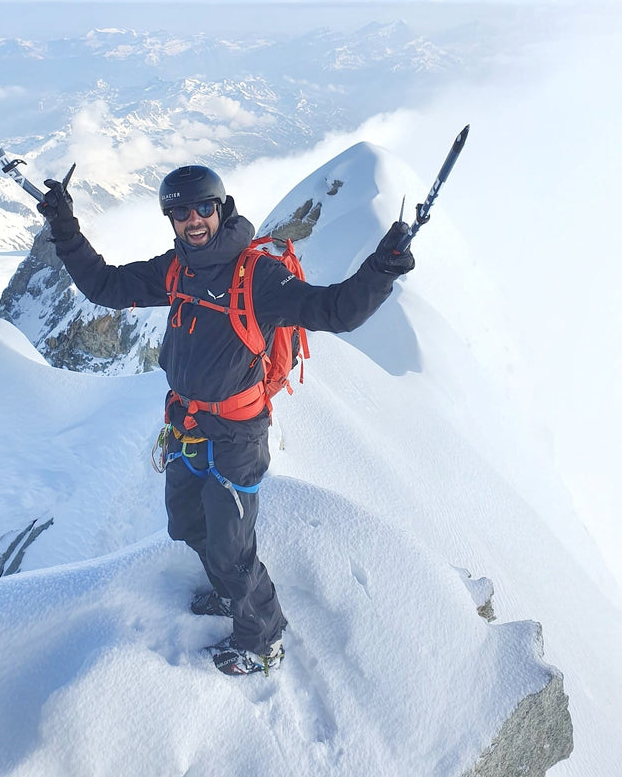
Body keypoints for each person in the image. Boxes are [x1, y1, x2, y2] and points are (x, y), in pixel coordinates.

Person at [38, 164, 414, 676]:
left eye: (202, 208)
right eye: (180, 212)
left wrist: (382, 269)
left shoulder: (257, 276)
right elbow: (106, 286)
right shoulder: (178, 269)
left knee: (232, 552)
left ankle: (263, 640)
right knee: (186, 523)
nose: (192, 220)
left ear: (221, 208)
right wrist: (64, 229)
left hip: (237, 436)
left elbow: (333, 310)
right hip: (187, 428)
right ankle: (226, 590)